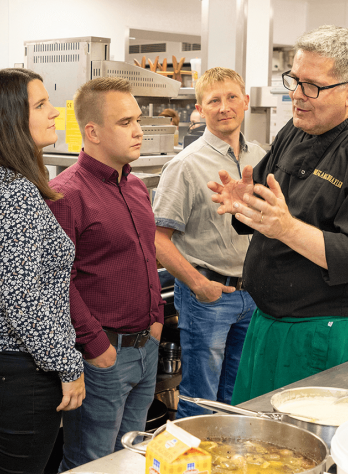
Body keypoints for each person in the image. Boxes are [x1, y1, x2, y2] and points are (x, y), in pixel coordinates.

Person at [208, 25, 348, 403]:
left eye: (312, 86)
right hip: (266, 324)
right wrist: (246, 205)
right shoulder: (297, 129)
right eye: (294, 81)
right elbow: (268, 205)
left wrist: (286, 229)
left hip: (324, 334)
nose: (296, 96)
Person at [0, 68, 85, 474]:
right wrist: (68, 364)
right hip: (20, 371)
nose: (55, 114)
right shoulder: (14, 192)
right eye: (41, 105)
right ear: (10, 119)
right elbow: (24, 300)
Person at [47, 77, 164, 470]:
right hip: (102, 357)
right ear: (92, 131)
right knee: (90, 462)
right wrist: (96, 346)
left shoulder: (136, 187)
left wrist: (157, 321)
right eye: (125, 122)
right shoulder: (66, 194)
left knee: (132, 459)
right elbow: (56, 282)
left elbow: (147, 256)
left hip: (146, 347)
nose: (138, 130)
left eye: (138, 120)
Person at [153, 67, 265, 418]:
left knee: (241, 395)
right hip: (210, 297)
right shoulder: (185, 165)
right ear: (199, 109)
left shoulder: (261, 157)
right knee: (200, 400)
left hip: (255, 294)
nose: (224, 107)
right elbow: (157, 238)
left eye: (232, 97)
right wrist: (200, 285)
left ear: (246, 101)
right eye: (213, 100)